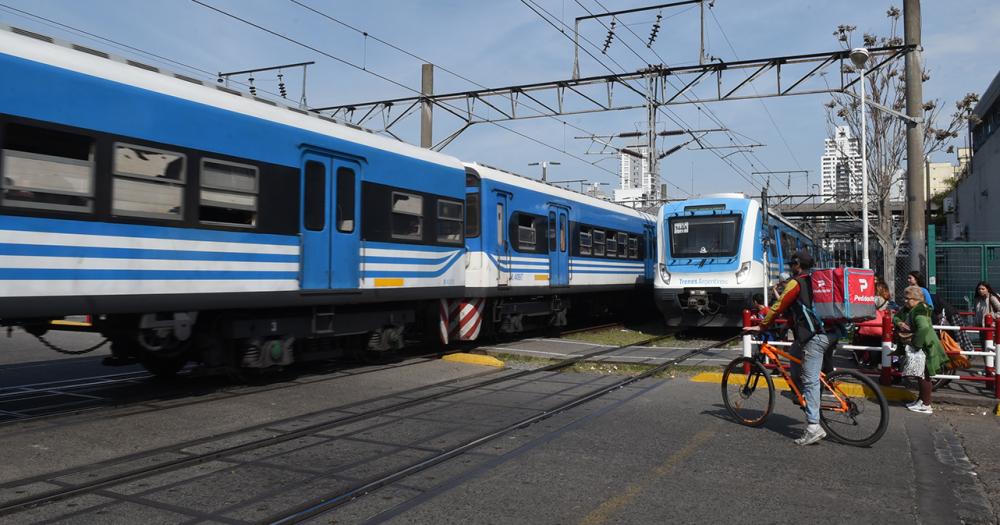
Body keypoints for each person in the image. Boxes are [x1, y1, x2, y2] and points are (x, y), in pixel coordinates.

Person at [748, 250, 841, 446]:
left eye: (792, 263)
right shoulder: (816, 280)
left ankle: (813, 427)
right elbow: (800, 309)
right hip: (829, 332)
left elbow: (779, 305)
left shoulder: (796, 282)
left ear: (797, 264)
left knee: (811, 380)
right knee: (794, 355)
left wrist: (763, 325)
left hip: (816, 336)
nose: (790, 266)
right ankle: (802, 396)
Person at [893, 286, 949, 414]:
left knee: (924, 376)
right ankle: (921, 400)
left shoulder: (918, 312)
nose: (905, 301)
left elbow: (923, 328)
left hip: (925, 347)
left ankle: (926, 404)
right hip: (925, 345)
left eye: (907, 298)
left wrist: (915, 344)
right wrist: (900, 323)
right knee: (921, 374)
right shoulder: (915, 309)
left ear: (916, 299)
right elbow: (896, 317)